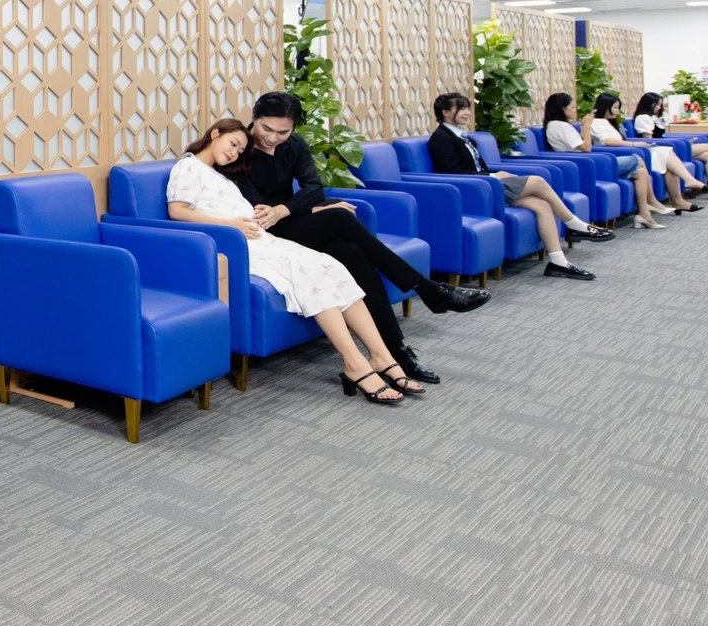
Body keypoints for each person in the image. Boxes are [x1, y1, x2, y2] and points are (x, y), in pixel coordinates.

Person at [235, 91, 485, 387]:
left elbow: (314, 187)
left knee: (352, 252)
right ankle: (427, 288)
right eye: (266, 129)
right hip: (265, 233)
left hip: (290, 219)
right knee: (339, 216)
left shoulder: (295, 144)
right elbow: (256, 206)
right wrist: (303, 208)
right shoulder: (239, 148)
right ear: (254, 117)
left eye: (283, 132)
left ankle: (394, 351)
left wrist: (291, 208)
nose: (272, 138)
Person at [169, 119, 414, 403]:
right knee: (310, 272)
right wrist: (232, 225)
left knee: (331, 265)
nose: (234, 153)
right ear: (215, 134)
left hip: (261, 240)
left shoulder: (220, 175)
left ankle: (381, 356)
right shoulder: (188, 167)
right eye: (233, 144)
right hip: (236, 246)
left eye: (240, 150)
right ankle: (355, 365)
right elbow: (178, 211)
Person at [427, 92, 610, 280]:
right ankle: (574, 224)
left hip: (486, 184)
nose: (467, 113)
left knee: (542, 205)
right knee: (538, 181)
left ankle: (558, 262)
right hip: (476, 190)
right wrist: (493, 176)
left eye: (467, 108)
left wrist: (496, 173)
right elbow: (452, 173)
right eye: (461, 109)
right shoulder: (441, 138)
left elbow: (477, 167)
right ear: (446, 112)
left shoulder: (463, 137)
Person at [545, 92, 669, 229]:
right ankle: (651, 203)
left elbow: (579, 145)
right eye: (572, 107)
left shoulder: (558, 125)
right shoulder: (560, 126)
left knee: (640, 172)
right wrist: (586, 126)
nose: (575, 110)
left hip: (586, 162)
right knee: (637, 159)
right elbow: (586, 148)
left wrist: (584, 127)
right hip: (585, 166)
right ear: (562, 109)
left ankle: (644, 213)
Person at [594, 91, 703, 210]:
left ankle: (679, 200)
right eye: (615, 107)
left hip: (629, 151)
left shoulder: (610, 123)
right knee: (665, 153)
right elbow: (608, 141)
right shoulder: (596, 123)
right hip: (620, 154)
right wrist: (635, 144)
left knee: (668, 162)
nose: (617, 111)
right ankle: (686, 183)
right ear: (605, 106)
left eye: (618, 108)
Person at [635, 91, 708, 165]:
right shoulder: (642, 118)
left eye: (660, 104)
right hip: (663, 149)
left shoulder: (653, 117)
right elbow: (648, 140)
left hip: (669, 146)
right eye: (657, 104)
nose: (659, 107)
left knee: (706, 155)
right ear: (648, 104)